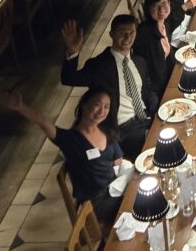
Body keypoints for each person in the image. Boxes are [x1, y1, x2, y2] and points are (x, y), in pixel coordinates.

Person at [3, 88, 124, 223]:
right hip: (97, 201)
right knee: (136, 204)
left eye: (106, 107)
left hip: (115, 186)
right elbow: (44, 123)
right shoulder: (71, 140)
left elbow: (118, 159)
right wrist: (21, 107)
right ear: (84, 105)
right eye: (97, 104)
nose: (102, 111)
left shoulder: (105, 129)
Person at [60, 15, 157, 160]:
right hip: (122, 130)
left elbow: (148, 92)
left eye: (131, 33)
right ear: (111, 34)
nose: (127, 37)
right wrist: (72, 51)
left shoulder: (139, 62)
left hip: (147, 119)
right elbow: (69, 78)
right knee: (158, 142)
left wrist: (160, 114)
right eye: (122, 33)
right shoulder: (99, 65)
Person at [133, 0, 191, 98]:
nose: (161, 10)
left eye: (164, 3)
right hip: (160, 92)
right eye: (155, 6)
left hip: (170, 78)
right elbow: (155, 77)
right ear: (148, 9)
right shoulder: (146, 35)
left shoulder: (163, 24)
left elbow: (168, 60)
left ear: (169, 3)